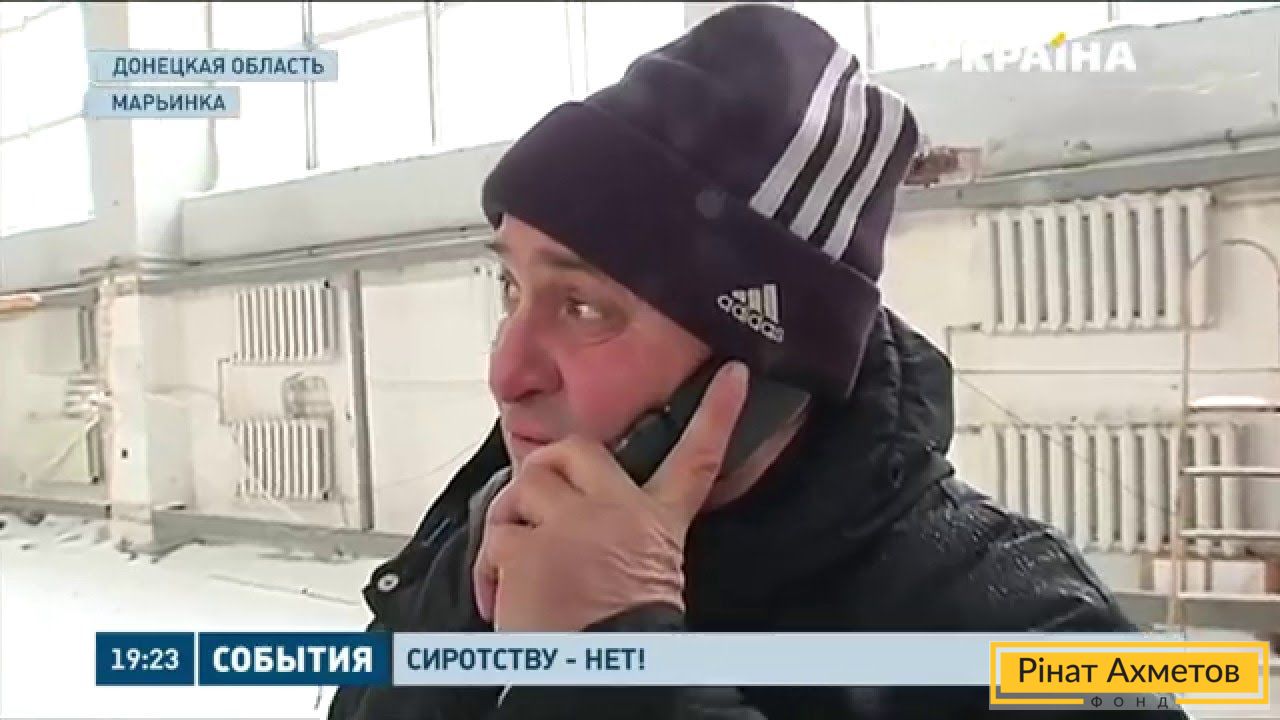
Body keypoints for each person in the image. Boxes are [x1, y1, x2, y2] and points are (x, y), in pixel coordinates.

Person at [329, 4, 1186, 718]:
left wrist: (620, 673)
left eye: (584, 306)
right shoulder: (507, 520)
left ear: (766, 372)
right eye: (511, 288)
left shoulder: (1025, 636)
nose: (507, 371)